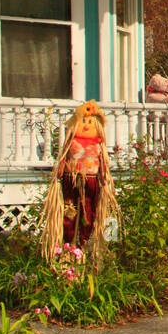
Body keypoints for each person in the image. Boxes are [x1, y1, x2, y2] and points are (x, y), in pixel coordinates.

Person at [39, 100, 119, 267]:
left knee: (89, 212)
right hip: (71, 180)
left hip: (91, 181)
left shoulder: (98, 145)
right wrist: (59, 173)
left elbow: (103, 163)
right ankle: (68, 247)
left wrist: (104, 178)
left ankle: (84, 245)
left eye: (90, 122)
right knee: (70, 211)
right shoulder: (72, 143)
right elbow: (63, 159)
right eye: (83, 121)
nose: (86, 125)